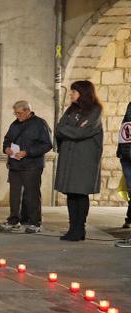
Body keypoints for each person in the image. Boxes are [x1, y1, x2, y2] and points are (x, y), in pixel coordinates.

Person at [55, 80, 104, 242]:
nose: (71, 94)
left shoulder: (95, 110)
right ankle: (72, 228)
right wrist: (71, 130)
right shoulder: (71, 110)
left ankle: (79, 228)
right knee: (71, 194)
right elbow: (59, 128)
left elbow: (83, 132)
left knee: (80, 193)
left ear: (83, 93)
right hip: (69, 159)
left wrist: (68, 130)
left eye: (74, 92)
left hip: (84, 160)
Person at [0, 101, 53, 234]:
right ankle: (13, 220)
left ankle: (35, 222)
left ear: (28, 111)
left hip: (32, 165)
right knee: (14, 194)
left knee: (32, 194)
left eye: (19, 113)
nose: (17, 116)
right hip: (15, 165)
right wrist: (7, 149)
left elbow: (47, 144)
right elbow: (7, 139)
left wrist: (27, 152)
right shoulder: (15, 124)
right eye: (15, 113)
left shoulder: (40, 124)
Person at [119, 102, 131, 229]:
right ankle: (129, 217)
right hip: (126, 154)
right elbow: (124, 127)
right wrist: (121, 150)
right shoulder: (130, 106)